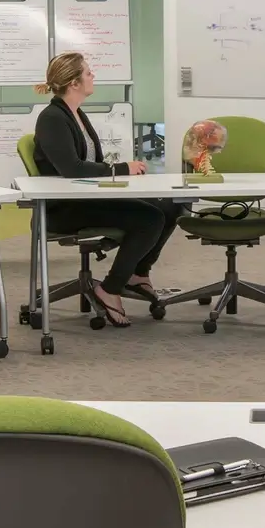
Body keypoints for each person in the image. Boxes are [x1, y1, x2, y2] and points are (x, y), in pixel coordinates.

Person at [30, 52, 172, 327]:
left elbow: (89, 165)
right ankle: (111, 288)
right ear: (73, 83)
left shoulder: (76, 113)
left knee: (168, 205)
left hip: (86, 197)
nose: (93, 76)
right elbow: (72, 168)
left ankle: (138, 274)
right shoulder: (52, 118)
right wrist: (121, 169)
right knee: (150, 218)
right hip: (64, 208)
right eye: (88, 73)